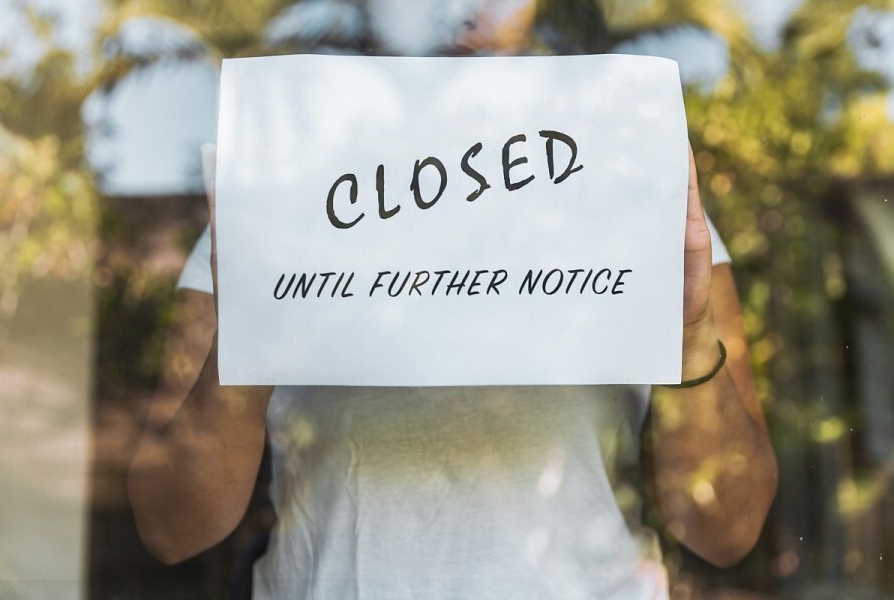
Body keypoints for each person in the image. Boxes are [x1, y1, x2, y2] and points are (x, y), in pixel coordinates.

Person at [127, 1, 778, 598]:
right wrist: (255, 322)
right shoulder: (272, 212)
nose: (461, 12)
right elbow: (170, 528)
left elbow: (728, 529)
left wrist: (690, 340)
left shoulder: (644, 208)